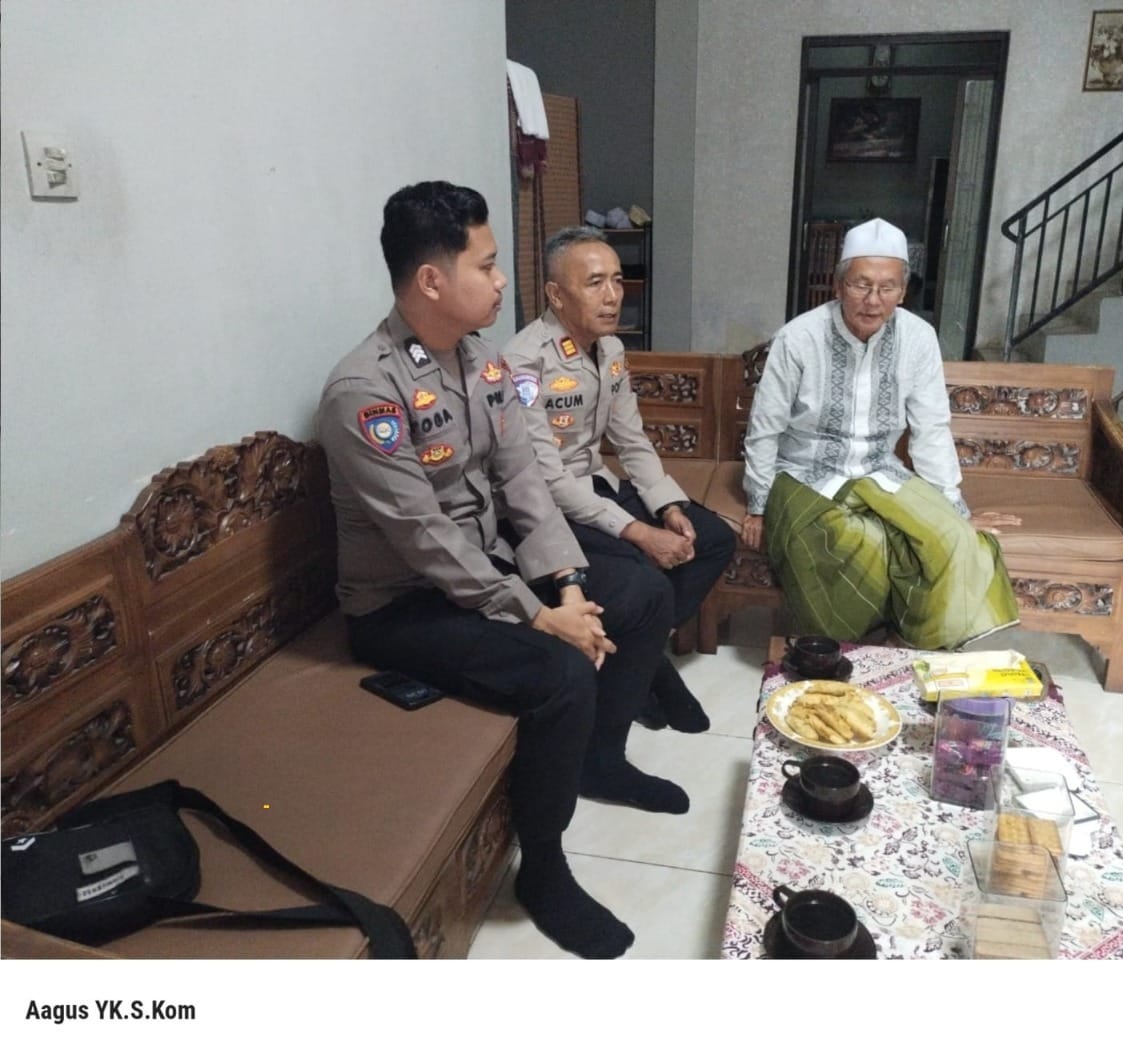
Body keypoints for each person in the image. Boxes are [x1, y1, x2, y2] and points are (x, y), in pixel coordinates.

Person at [317, 182, 688, 960]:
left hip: (484, 565)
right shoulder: (365, 391)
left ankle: (602, 761)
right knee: (562, 673)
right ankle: (543, 870)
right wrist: (537, 613)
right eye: (486, 266)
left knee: (642, 594)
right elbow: (423, 537)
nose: (500, 281)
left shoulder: (481, 362)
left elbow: (523, 483)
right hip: (403, 604)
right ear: (432, 280)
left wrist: (570, 586)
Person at [741, 217, 1020, 650]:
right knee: (853, 540)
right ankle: (843, 650)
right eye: (861, 285)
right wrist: (758, 505)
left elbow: (931, 426)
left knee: (955, 540)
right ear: (838, 286)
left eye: (887, 287)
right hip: (804, 472)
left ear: (903, 292)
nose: (873, 300)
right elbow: (765, 427)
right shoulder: (798, 337)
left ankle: (915, 648)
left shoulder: (918, 337)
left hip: (880, 469)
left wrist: (952, 506)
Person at [502, 226, 735, 732]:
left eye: (617, 280)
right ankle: (648, 670)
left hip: (597, 483)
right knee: (640, 568)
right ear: (556, 294)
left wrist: (667, 506)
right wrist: (638, 531)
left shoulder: (609, 349)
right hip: (549, 506)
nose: (612, 296)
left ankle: (640, 659)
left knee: (713, 538)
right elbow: (546, 478)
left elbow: (631, 439)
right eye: (594, 283)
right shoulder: (523, 362)